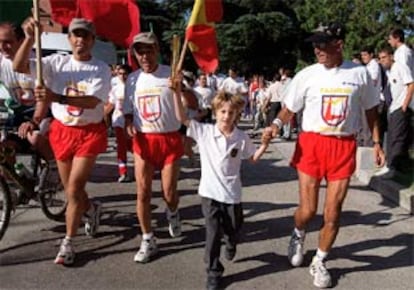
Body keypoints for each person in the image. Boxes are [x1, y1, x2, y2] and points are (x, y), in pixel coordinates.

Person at [265, 23, 385, 288]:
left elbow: (371, 111)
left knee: (333, 212)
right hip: (312, 144)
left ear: (338, 45)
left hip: (343, 147)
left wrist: (377, 142)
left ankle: (319, 260)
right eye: (315, 44)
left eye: (322, 43)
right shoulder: (307, 75)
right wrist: (274, 126)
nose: (317, 49)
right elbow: (289, 108)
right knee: (307, 211)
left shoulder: (360, 74)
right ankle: (298, 233)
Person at [14, 18, 111, 265]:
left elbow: (92, 101)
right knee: (72, 191)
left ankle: (68, 242)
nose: (80, 40)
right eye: (76, 35)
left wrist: (56, 96)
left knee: (74, 188)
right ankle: (91, 209)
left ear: (92, 40)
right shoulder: (56, 62)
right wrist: (27, 38)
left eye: (85, 36)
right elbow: (19, 66)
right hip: (62, 131)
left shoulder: (101, 68)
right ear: (69, 39)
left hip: (88, 132)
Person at [173, 85, 272, 290]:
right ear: (215, 112)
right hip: (209, 193)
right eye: (222, 111)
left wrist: (264, 144)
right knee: (212, 233)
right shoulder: (204, 132)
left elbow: (252, 158)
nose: (226, 116)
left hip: (232, 194)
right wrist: (176, 93)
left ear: (237, 114)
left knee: (234, 227)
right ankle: (213, 272)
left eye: (231, 112)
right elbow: (182, 118)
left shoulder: (241, 138)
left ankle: (231, 241)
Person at [123, 32, 183, 263]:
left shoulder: (171, 73)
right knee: (143, 191)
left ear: (157, 50)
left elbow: (192, 104)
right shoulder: (132, 79)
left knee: (169, 192)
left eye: (149, 50)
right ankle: (148, 238)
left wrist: (181, 89)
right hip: (144, 141)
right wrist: (128, 121)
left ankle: (173, 212)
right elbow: (128, 108)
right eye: (140, 51)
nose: (145, 55)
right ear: (135, 54)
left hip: (169, 139)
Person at [0, 22, 58, 191]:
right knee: (3, 146)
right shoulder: (2, 62)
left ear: (20, 41)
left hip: (43, 114)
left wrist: (34, 121)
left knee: (34, 137)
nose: (3, 47)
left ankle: (55, 169)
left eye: (7, 42)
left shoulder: (36, 63)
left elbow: (44, 98)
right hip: (17, 116)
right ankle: (15, 182)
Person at [376, 47, 414, 178]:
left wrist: (405, 105)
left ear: (391, 56)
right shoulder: (390, 71)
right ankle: (389, 165)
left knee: (396, 138)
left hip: (400, 107)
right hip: (393, 107)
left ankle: (393, 168)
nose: (382, 61)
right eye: (380, 59)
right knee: (391, 137)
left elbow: (411, 84)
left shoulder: (400, 67)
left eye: (384, 58)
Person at [104, 64, 133, 182]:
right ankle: (123, 172)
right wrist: (103, 116)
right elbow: (111, 104)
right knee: (121, 147)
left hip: (133, 122)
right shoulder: (115, 86)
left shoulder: (135, 86)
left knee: (134, 147)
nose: (122, 76)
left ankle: (145, 168)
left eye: (125, 73)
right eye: (120, 73)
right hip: (119, 121)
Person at [359, 46, 383, 146]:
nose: (363, 57)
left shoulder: (373, 65)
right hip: (366, 101)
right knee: (364, 128)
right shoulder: (368, 66)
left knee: (368, 128)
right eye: (362, 55)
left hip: (372, 101)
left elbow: (373, 80)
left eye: (365, 55)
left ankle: (368, 151)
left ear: (371, 55)